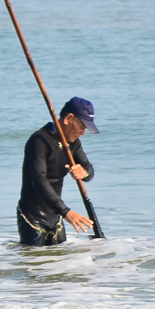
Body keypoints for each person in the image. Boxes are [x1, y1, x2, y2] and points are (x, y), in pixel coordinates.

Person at [17, 96, 99, 246]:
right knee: (34, 266)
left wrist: (84, 173)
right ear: (69, 118)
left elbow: (89, 168)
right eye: (82, 126)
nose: (82, 132)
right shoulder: (39, 141)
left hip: (56, 218)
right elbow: (39, 181)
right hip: (32, 218)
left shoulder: (73, 143)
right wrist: (67, 212)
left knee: (60, 266)